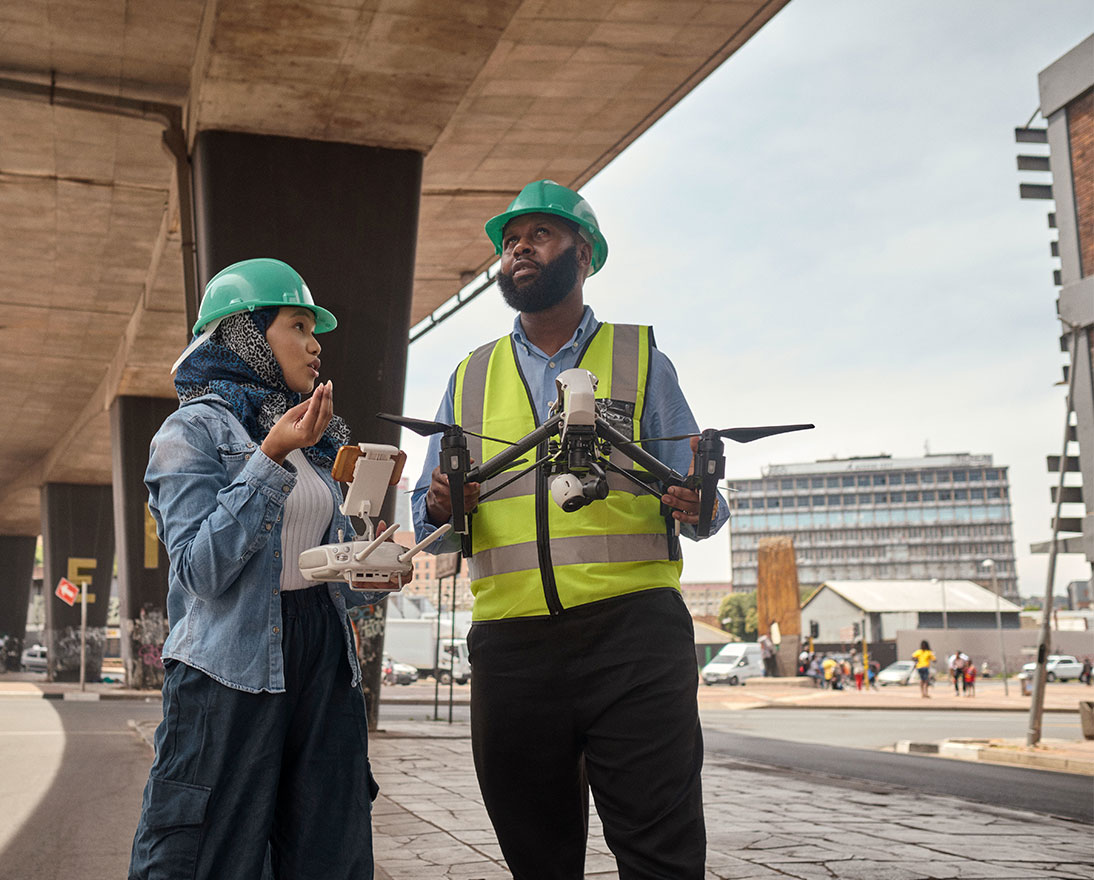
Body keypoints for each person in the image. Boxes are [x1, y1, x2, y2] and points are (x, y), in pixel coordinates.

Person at [411, 180, 729, 879]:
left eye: (540, 235)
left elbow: (705, 505)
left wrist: (699, 504)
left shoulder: (640, 357)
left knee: (661, 857)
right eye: (510, 240)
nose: (518, 247)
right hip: (514, 649)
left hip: (634, 640)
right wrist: (437, 506)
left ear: (583, 253)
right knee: (538, 861)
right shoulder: (469, 376)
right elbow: (424, 519)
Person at [129, 258, 395, 880]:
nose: (315, 343)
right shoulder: (191, 432)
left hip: (324, 663)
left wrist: (372, 572)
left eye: (314, 329)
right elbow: (200, 570)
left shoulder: (322, 438)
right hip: (230, 671)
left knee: (326, 851)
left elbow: (314, 571)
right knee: (213, 855)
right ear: (246, 333)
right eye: (298, 325)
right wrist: (271, 456)